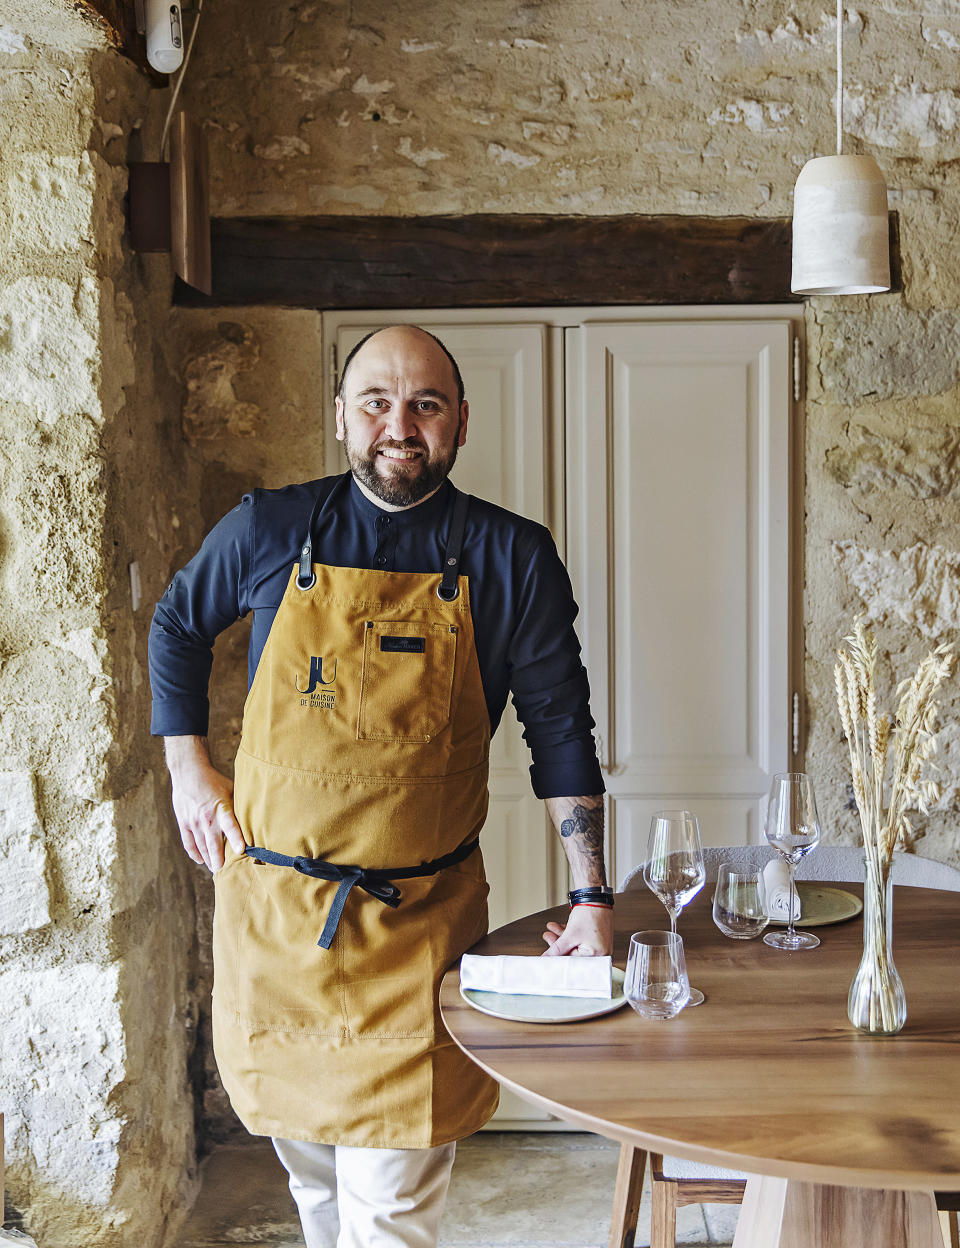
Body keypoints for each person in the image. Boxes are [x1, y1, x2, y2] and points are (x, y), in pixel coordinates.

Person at [148, 324, 612, 1248]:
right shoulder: (269, 528)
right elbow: (175, 625)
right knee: (315, 1188)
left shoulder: (514, 556)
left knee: (390, 1209)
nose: (400, 424)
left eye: (426, 404)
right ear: (341, 417)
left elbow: (560, 731)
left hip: (418, 928)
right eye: (377, 401)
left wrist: (592, 892)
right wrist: (187, 769)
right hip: (280, 923)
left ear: (460, 423)